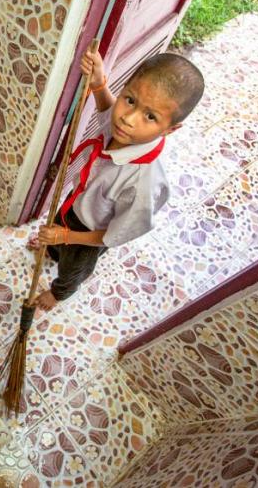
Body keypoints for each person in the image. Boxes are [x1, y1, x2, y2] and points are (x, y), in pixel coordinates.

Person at [32, 45, 205, 311]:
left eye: (150, 116)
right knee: (56, 237)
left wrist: (67, 236)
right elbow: (106, 112)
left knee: (72, 269)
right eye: (130, 100)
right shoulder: (122, 127)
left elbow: (113, 235)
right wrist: (99, 83)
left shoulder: (142, 185)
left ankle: (59, 294)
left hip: (89, 235)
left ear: (170, 129)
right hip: (76, 202)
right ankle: (53, 249)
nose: (127, 119)